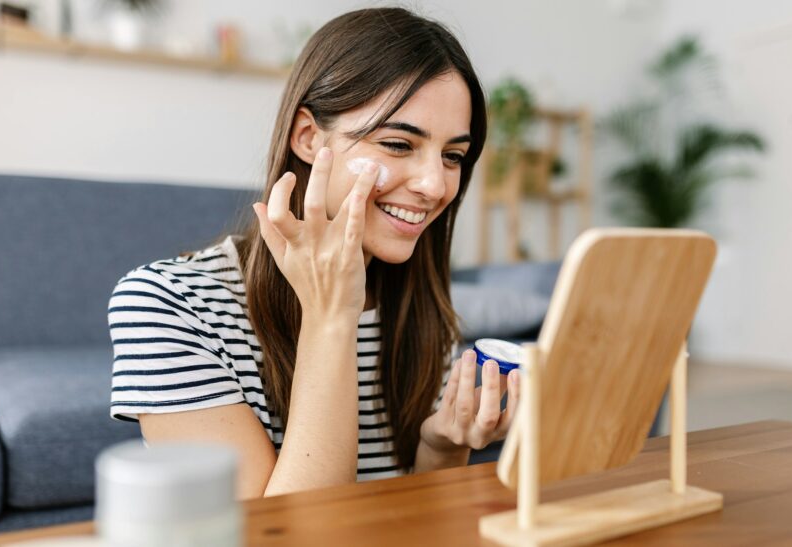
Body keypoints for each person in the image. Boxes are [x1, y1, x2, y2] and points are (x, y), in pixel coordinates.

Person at [108, 7, 520, 499]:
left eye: (452, 156)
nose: (435, 186)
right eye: (397, 143)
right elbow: (285, 534)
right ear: (307, 137)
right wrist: (330, 316)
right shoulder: (168, 304)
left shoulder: (417, 304)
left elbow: (413, 521)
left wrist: (441, 445)